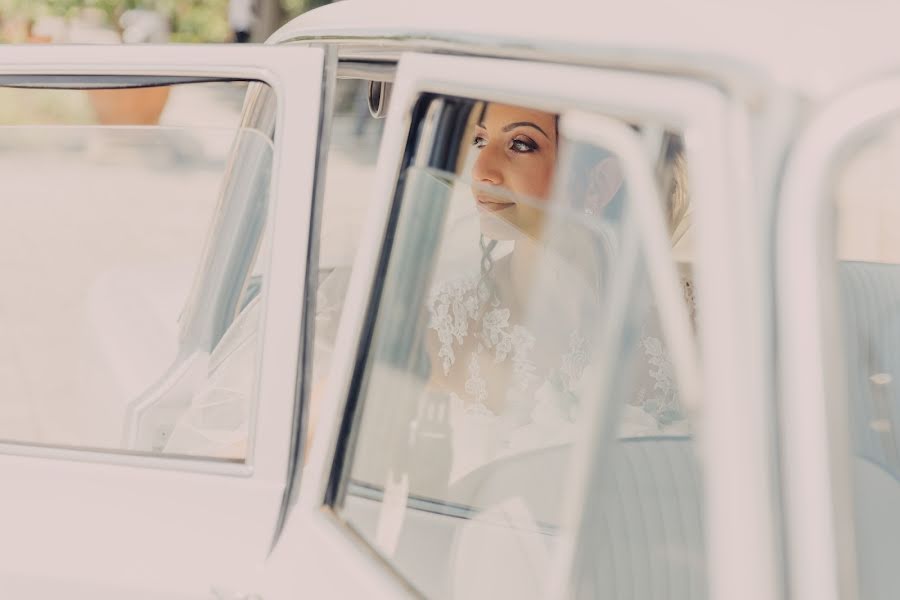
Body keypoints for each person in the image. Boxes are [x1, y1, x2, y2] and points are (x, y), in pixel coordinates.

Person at [425, 102, 693, 480]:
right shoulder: (447, 328)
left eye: (520, 144)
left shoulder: (688, 320)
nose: (481, 170)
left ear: (599, 183)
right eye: (480, 140)